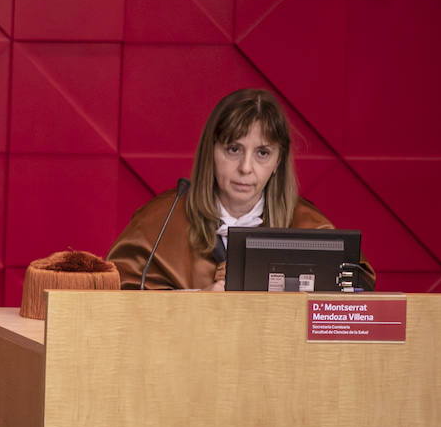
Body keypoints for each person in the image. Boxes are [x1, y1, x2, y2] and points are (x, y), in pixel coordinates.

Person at [107, 88, 372, 291]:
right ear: (211, 150)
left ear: (278, 160)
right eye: (234, 149)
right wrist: (195, 305)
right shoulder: (160, 221)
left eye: (262, 153)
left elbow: (352, 299)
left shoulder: (310, 228)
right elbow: (116, 298)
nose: (246, 168)